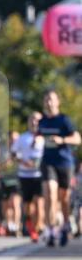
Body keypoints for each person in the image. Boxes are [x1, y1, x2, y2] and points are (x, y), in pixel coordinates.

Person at [38, 89, 80, 247]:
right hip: (47, 162)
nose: (49, 102)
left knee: (64, 199)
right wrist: (35, 141)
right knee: (50, 193)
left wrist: (61, 139)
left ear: (57, 102)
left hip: (64, 162)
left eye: (51, 99)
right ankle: (50, 229)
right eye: (46, 100)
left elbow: (77, 139)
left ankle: (65, 225)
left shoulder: (64, 120)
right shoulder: (42, 121)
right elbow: (38, 137)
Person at [12, 112, 44, 242]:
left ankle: (38, 228)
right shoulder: (22, 138)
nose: (34, 122)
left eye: (37, 120)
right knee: (28, 206)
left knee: (39, 203)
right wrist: (23, 162)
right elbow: (13, 154)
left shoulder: (44, 138)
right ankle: (31, 228)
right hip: (25, 175)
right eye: (32, 119)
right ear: (28, 121)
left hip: (40, 175)